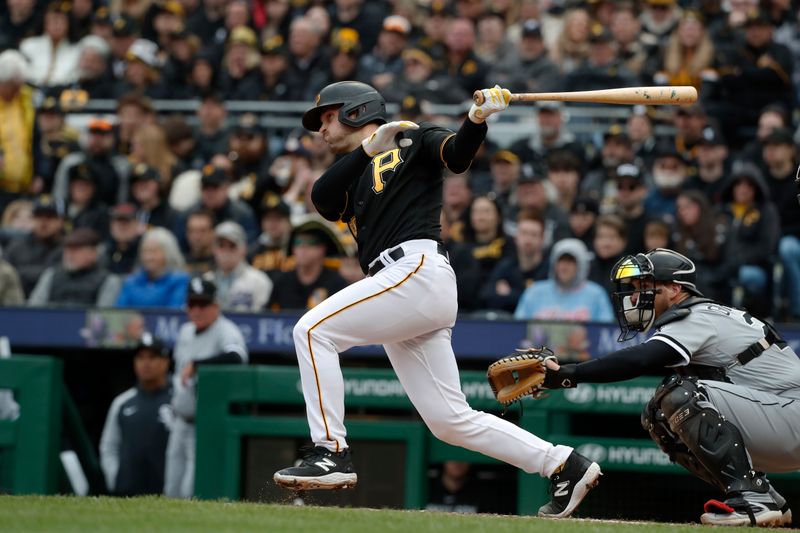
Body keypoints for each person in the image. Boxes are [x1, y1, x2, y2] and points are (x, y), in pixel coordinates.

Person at [272, 81, 601, 519]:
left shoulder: (412, 136)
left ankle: (330, 451)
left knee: (311, 330)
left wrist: (476, 119)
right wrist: (367, 149)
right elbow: (322, 198)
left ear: (354, 111)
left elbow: (458, 154)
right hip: (404, 288)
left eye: (328, 116)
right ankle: (563, 464)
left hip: (414, 270)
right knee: (449, 421)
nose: (321, 128)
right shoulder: (353, 171)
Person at [541, 248, 799, 526]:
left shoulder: (696, 316)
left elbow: (641, 358)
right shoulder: (701, 314)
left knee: (681, 395)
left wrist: (570, 374)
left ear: (675, 289)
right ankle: (763, 496)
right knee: (658, 415)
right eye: (635, 287)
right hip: (777, 418)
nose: (636, 295)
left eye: (646, 286)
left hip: (790, 415)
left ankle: (753, 498)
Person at [165, 276, 248, 498]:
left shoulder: (226, 330)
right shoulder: (185, 332)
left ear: (215, 305)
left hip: (205, 425)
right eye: (192, 304)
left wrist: (199, 365)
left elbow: (237, 356)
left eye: (203, 304)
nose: (197, 311)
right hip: (180, 420)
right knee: (171, 489)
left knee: (191, 490)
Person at [99, 333, 172, 496]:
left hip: (167, 493)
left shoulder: (177, 402)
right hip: (126, 492)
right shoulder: (122, 402)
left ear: (165, 362)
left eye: (152, 357)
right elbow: (109, 446)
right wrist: (115, 477)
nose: (146, 364)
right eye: (140, 358)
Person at [514, 238, 615, 323]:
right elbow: (517, 329)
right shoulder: (534, 292)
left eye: (570, 261)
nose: (564, 266)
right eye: (561, 261)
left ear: (581, 265)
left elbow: (604, 332)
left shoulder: (596, 294)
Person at [28, 227, 120, 307]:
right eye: (67, 249)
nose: (69, 255)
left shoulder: (108, 281)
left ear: (93, 253)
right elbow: (34, 310)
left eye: (76, 250)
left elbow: (103, 317)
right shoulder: (51, 275)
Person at [116, 227, 190, 309]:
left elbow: (175, 312)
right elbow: (119, 313)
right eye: (145, 251)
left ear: (168, 253)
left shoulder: (180, 281)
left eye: (154, 252)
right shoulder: (131, 282)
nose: (148, 257)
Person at [211, 221, 272, 312]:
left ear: (244, 249)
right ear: (214, 249)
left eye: (232, 246)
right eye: (221, 245)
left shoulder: (259, 281)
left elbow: (260, 318)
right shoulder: (207, 280)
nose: (226, 251)